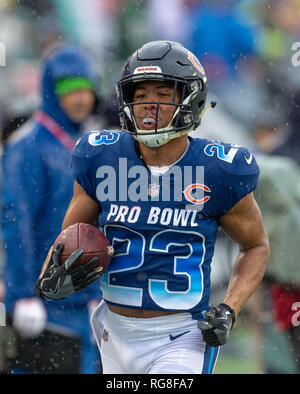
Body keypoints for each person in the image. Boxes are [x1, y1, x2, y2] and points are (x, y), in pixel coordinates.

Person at [35, 40, 270, 374]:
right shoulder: (101, 157)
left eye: (163, 94)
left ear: (191, 98)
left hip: (182, 335)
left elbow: (256, 246)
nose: (149, 105)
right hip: (111, 330)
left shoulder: (219, 169)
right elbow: (69, 239)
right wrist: (49, 279)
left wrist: (229, 309)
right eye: (141, 94)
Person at [1, 45, 101, 374]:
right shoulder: (29, 147)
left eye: (85, 88)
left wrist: (97, 292)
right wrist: (21, 294)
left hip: (82, 303)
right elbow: (17, 222)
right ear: (50, 90)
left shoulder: (87, 144)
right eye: (69, 89)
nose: (80, 98)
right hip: (45, 304)